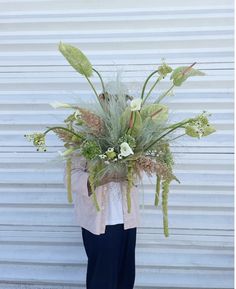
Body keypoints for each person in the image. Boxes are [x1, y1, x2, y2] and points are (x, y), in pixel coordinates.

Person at [63, 153, 141, 289]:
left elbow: (137, 176)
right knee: (101, 278)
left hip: (127, 219)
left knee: (125, 276)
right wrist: (101, 177)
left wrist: (132, 167)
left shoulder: (130, 137)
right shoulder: (82, 140)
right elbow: (70, 177)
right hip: (98, 222)